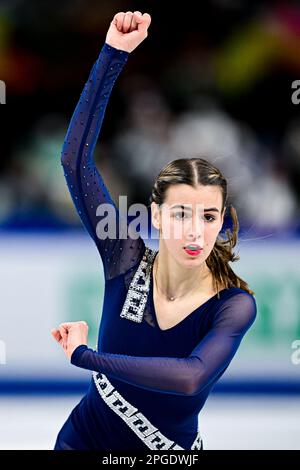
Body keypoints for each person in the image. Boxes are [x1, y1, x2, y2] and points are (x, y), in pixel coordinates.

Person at [51, 10, 257, 451]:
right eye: (181, 214)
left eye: (208, 217)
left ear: (221, 222)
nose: (195, 232)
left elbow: (189, 378)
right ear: (157, 216)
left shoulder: (234, 305)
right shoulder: (124, 259)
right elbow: (75, 161)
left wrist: (85, 357)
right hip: (80, 444)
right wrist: (112, 55)